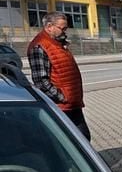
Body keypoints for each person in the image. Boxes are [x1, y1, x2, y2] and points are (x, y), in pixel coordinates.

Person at [27, 12, 91, 140]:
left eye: (66, 28)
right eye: (62, 28)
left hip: (72, 104)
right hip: (60, 107)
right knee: (74, 142)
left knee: (83, 139)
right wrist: (62, 97)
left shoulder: (58, 43)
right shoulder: (39, 46)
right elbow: (41, 81)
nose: (65, 31)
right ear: (49, 26)